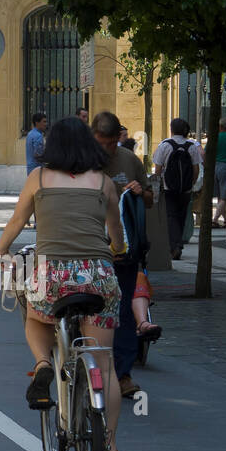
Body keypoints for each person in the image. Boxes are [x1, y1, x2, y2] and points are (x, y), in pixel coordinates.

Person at [0, 116, 126, 451]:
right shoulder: (105, 182)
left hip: (52, 274)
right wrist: (119, 249)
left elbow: (17, 221)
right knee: (105, 364)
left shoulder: (37, 178)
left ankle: (41, 364)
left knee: (35, 317)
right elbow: (116, 233)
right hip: (98, 276)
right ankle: (109, 447)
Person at [92, 111, 152, 400]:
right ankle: (94, 370)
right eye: (102, 143)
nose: (107, 150)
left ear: (120, 138)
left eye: (112, 143)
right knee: (94, 310)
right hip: (91, 248)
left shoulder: (130, 161)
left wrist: (141, 191)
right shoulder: (81, 162)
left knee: (123, 311)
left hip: (124, 251)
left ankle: (123, 373)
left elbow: (152, 199)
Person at [152, 118, 204, 260]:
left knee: (171, 216)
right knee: (181, 216)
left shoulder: (164, 145)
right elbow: (196, 168)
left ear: (171, 129)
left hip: (169, 187)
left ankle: (175, 246)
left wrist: (158, 184)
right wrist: (191, 183)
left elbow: (157, 168)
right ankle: (177, 244)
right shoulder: (191, 146)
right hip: (186, 189)